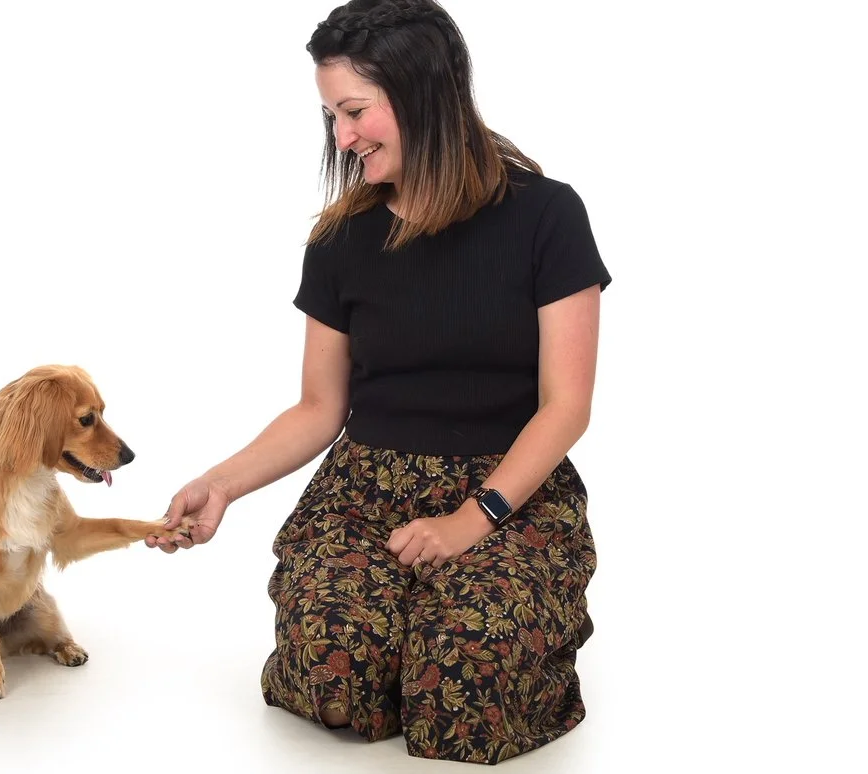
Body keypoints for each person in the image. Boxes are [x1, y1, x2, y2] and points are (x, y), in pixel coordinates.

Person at [146, 0, 611, 764]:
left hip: (509, 491)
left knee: (466, 669)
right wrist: (221, 483)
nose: (342, 137)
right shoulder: (340, 240)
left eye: (355, 111)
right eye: (331, 115)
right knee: (334, 671)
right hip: (364, 493)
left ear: (425, 92)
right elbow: (319, 407)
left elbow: (566, 406)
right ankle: (396, 645)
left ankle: (449, 644)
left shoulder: (547, 216)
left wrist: (473, 518)